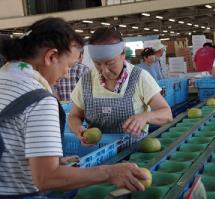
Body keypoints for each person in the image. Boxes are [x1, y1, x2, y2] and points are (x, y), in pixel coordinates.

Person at [0, 18, 148, 198]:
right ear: (51, 56)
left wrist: (45, 157)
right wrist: (110, 173)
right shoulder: (39, 100)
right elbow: (47, 178)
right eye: (68, 65)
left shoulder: (6, 80)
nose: (66, 73)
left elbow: (10, 142)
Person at [69, 27, 172, 146]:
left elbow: (166, 114)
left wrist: (145, 117)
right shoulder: (86, 80)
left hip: (133, 152)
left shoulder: (139, 77)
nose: (105, 71)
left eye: (110, 63)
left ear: (123, 54)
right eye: (98, 64)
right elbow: (74, 116)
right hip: (97, 153)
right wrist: (78, 130)